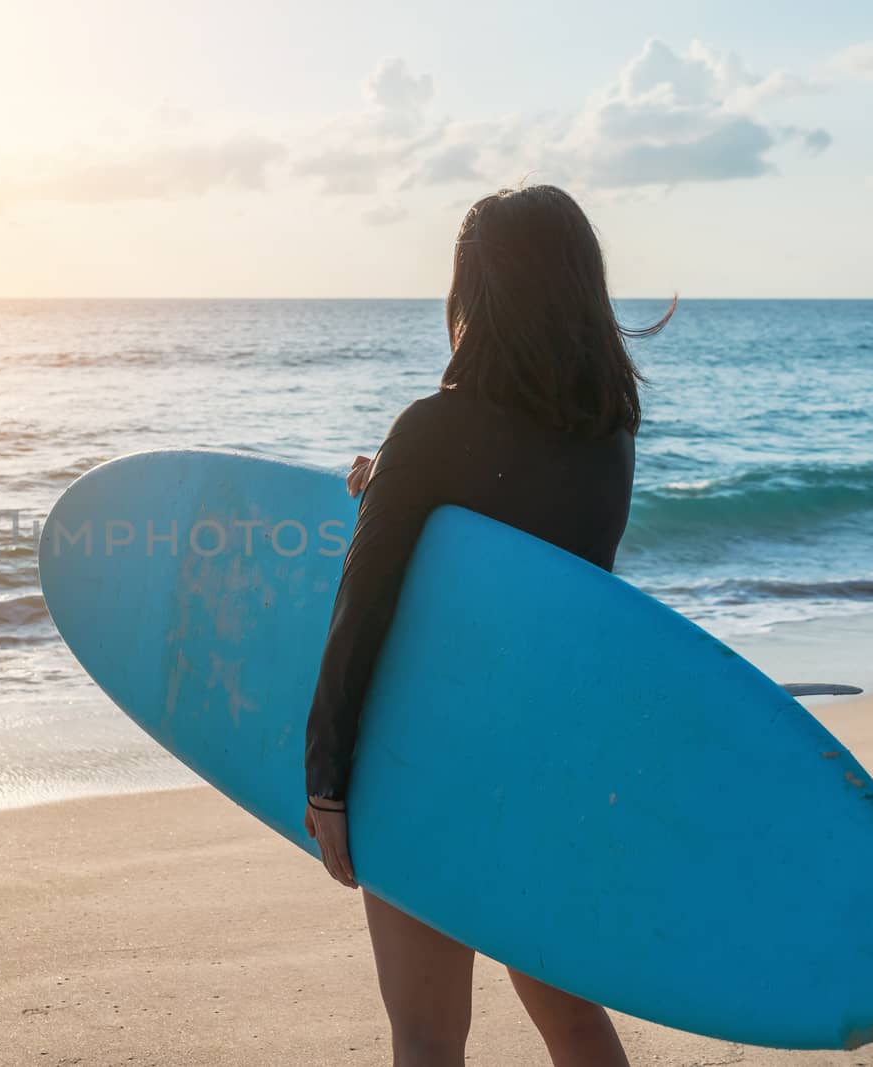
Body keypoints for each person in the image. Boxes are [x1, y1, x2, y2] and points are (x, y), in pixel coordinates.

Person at [301, 184, 674, 1067]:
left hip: (425, 761)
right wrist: (392, 486)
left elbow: (365, 611)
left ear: (478, 292)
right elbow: (513, 557)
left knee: (429, 1036)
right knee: (573, 1020)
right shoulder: (610, 439)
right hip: (546, 762)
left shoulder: (432, 432)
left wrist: (326, 779)